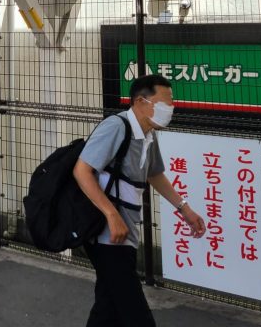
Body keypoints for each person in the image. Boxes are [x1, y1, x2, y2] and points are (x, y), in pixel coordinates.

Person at [73, 74, 206, 327]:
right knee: (135, 312)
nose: (170, 108)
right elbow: (82, 171)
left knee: (108, 306)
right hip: (105, 234)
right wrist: (112, 215)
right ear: (140, 102)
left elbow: (155, 174)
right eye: (164, 103)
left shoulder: (148, 134)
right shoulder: (116, 126)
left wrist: (184, 209)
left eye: (171, 103)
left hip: (125, 232)